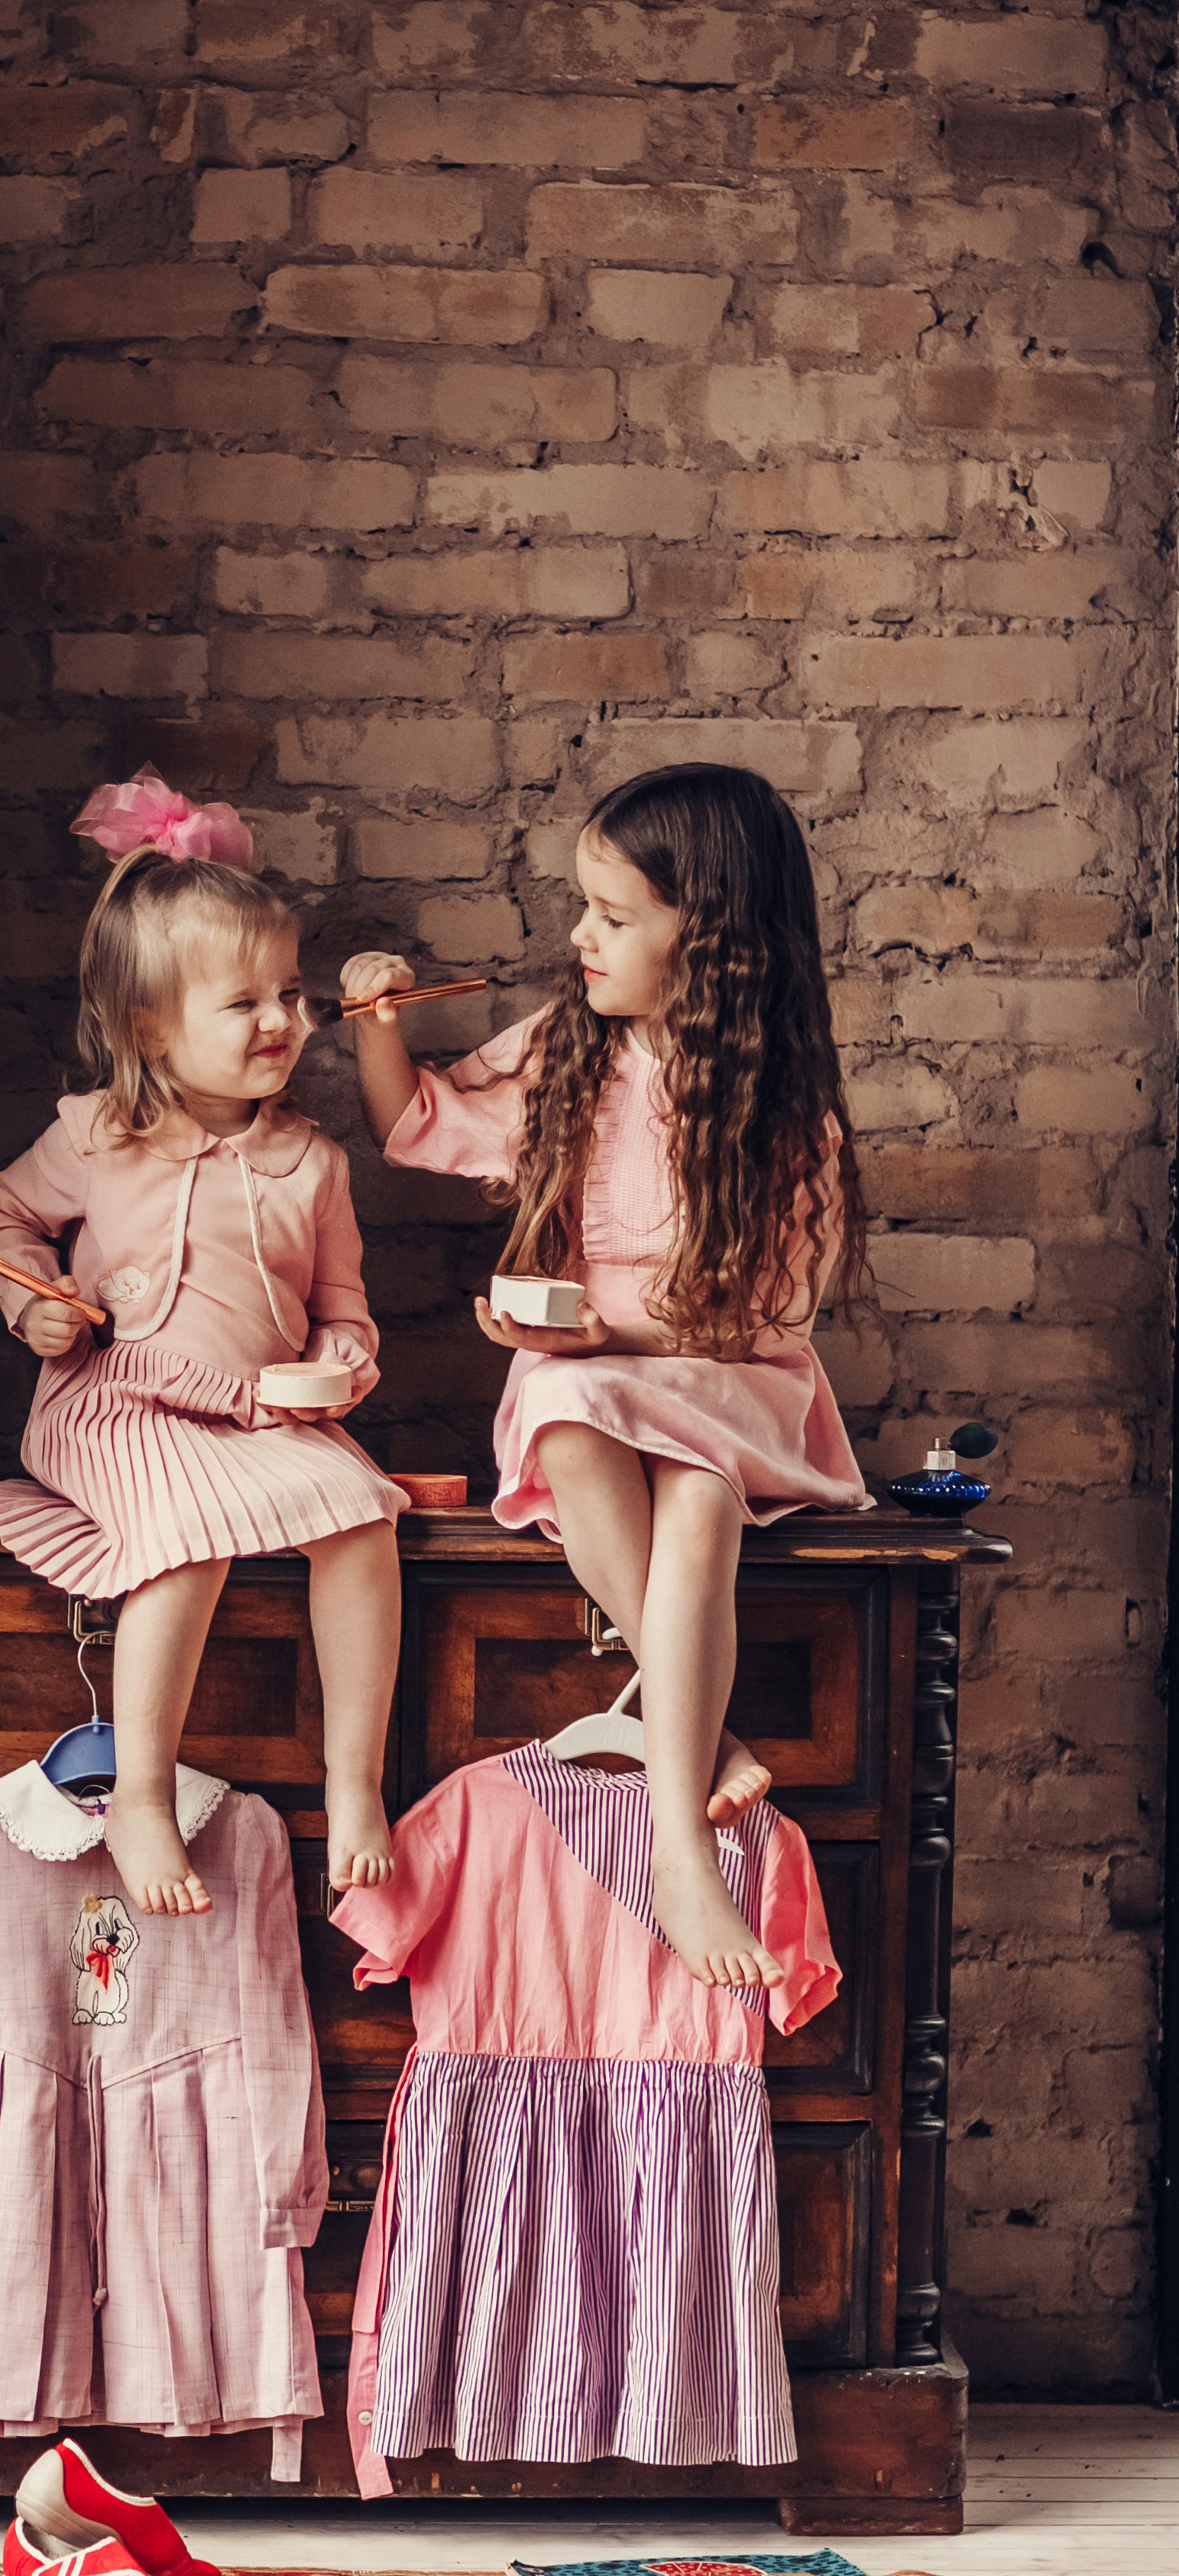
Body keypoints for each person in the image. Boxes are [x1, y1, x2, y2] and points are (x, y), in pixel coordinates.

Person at [344, 763, 870, 1991]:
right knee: (567, 1412)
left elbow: (772, 1316)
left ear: (714, 940)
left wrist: (605, 1331)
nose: (581, 937)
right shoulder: (569, 1052)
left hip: (732, 1387)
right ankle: (706, 1728)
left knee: (697, 1488)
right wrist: (379, 1026)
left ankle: (678, 1841)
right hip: (589, 1382)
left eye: (614, 916)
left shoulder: (781, 1106)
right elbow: (417, 1123)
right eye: (584, 906)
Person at [0, 766, 406, 1919]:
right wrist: (34, 1301)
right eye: (244, 1003)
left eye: (291, 995)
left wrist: (345, 1362)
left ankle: (355, 1783)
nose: (283, 1022)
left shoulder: (314, 1163)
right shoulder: (98, 1134)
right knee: (185, 1536)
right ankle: (141, 1793)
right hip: (114, 1404)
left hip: (258, 1416)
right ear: (150, 1027)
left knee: (365, 1520)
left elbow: (344, 1310)